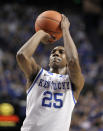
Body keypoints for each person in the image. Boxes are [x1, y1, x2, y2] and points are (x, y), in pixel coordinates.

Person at [16, 14, 84, 131]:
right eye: (53, 52)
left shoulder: (74, 81)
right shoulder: (37, 73)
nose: (56, 53)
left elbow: (73, 60)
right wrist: (41, 32)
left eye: (61, 52)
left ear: (67, 61)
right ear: (48, 60)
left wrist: (65, 30)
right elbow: (22, 56)